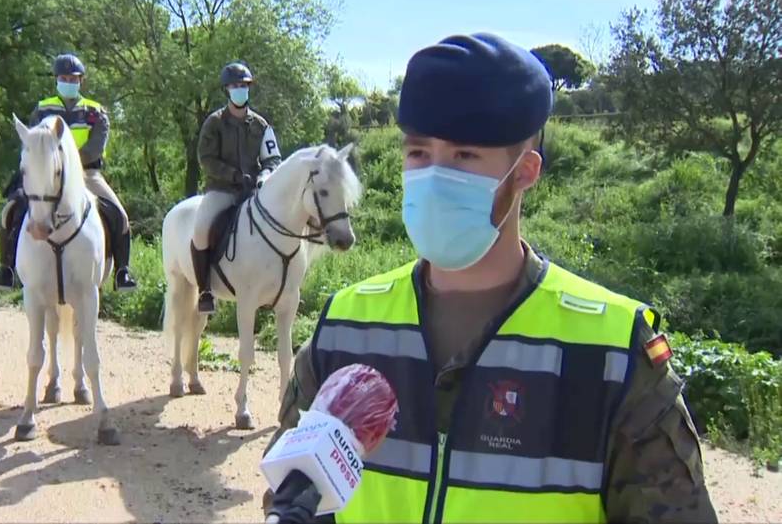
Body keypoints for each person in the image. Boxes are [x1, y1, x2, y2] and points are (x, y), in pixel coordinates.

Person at [262, 33, 718, 523]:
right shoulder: (346, 327)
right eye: (418, 153)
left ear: (524, 172)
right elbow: (293, 492)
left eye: (464, 156)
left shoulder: (614, 354)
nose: (434, 174)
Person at [0, 53, 138, 292]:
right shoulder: (42, 109)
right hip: (46, 176)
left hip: (86, 175)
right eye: (64, 77)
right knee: (10, 210)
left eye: (74, 78)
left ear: (81, 81)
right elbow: (33, 144)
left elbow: (95, 148)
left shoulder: (96, 111)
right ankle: (5, 268)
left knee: (119, 215)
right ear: (56, 80)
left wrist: (68, 164)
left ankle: (122, 271)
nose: (69, 81)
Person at [191, 61, 282, 314]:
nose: (240, 90)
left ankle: (277, 288)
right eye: (234, 86)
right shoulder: (214, 122)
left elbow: (273, 158)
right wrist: (232, 174)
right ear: (227, 90)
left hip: (253, 190)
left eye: (243, 86)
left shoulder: (262, 126)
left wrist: (264, 175)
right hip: (222, 190)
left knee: (280, 226)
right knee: (200, 231)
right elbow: (206, 159)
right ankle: (205, 289)